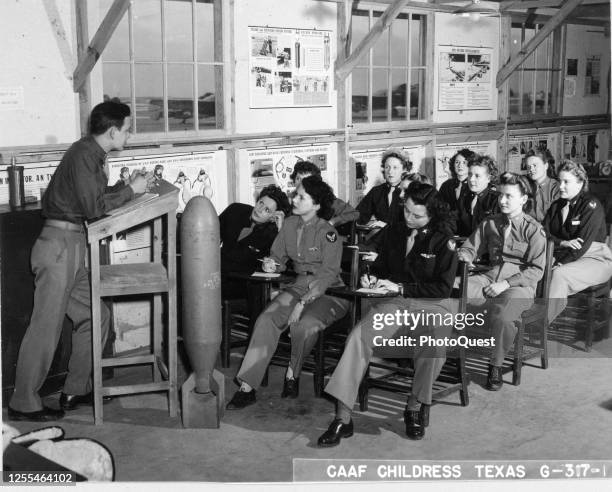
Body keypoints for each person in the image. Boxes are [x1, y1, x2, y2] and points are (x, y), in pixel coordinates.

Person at [8, 101, 148, 422]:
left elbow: (91, 197)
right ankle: (23, 402)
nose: (130, 134)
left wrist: (129, 188)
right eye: (127, 129)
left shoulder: (91, 155)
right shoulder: (85, 155)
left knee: (96, 316)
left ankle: (76, 388)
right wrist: (130, 190)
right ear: (112, 131)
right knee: (46, 326)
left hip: (71, 246)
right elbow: (93, 208)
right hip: (58, 246)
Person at [317, 183, 458, 445]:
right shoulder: (395, 230)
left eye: (417, 215)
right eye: (406, 211)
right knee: (358, 337)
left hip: (433, 305)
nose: (409, 218)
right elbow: (382, 265)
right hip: (395, 304)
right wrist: (373, 277)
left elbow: (443, 286)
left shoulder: (443, 240)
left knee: (435, 342)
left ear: (433, 214)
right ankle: (342, 418)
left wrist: (402, 286)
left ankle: (414, 407)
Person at [226, 176, 350, 408]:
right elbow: (278, 257)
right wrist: (271, 264)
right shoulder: (290, 225)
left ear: (316, 205)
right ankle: (247, 386)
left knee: (302, 325)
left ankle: (292, 373)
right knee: (266, 319)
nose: (295, 198)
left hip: (332, 291)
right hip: (298, 285)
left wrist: (302, 303)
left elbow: (329, 274)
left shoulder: (328, 233)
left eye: (301, 197)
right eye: (296, 194)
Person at [458, 172, 546, 391]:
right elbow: (469, 247)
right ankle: (444, 356)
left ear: (524, 200)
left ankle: (495, 365)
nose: (502, 201)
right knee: (452, 291)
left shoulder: (534, 230)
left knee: (504, 316)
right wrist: (466, 258)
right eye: (500, 195)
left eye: (509, 196)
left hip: (519, 287)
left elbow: (536, 270)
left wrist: (506, 285)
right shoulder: (490, 223)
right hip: (490, 277)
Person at [542, 160, 612, 324]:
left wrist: (560, 262)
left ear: (581, 182)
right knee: (537, 268)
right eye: (559, 181)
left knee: (559, 274)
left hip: (595, 259)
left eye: (566, 182)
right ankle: (524, 316)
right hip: (564, 253)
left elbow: (582, 244)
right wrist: (562, 243)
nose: (560, 186)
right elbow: (543, 233)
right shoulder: (556, 205)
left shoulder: (591, 205)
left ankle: (543, 323)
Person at [219, 185, 291, 299]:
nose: (260, 210)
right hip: (215, 274)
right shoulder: (235, 210)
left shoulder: (273, 234)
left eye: (267, 210)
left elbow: (285, 265)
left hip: (244, 286)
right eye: (261, 203)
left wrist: (281, 230)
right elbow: (209, 237)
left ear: (273, 217)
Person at [290, 160, 359, 231]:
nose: (301, 183)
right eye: (298, 179)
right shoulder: (291, 200)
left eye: (306, 180)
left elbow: (354, 214)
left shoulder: (327, 198)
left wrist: (332, 222)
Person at [356, 147, 412, 229]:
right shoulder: (376, 191)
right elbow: (359, 216)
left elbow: (414, 224)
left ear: (404, 170)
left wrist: (388, 226)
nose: (390, 171)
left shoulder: (411, 190)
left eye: (395, 167)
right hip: (382, 238)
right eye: (387, 167)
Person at [456, 154, 500, 237]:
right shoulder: (464, 197)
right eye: (470, 174)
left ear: (489, 178)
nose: (471, 179)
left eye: (477, 176)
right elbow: (454, 221)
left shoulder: (497, 200)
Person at [525, 149, 560, 222]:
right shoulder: (525, 186)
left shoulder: (556, 187)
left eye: (535, 165)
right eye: (528, 166)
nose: (531, 169)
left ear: (546, 166)